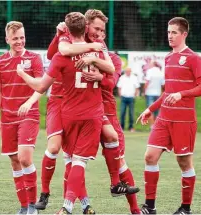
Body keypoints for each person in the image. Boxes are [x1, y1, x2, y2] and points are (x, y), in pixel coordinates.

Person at [16, 12, 110, 214]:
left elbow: (41, 85)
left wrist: (23, 75)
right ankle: (62, 203)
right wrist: (95, 53)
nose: (99, 33)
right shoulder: (96, 51)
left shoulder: (62, 57)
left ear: (67, 30)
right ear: (85, 28)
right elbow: (110, 70)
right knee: (74, 159)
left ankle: (83, 204)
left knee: (69, 157)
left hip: (69, 111)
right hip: (90, 113)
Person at [49, 9, 140, 214]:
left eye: (103, 30)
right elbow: (56, 53)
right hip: (80, 112)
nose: (99, 33)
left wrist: (96, 66)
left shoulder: (111, 58)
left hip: (105, 112)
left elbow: (112, 81)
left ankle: (135, 208)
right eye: (96, 28)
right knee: (73, 163)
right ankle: (76, 205)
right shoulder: (71, 45)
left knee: (119, 160)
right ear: (86, 26)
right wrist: (59, 36)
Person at [137, 17, 201, 214]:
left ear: (184, 34)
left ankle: (185, 208)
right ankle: (149, 207)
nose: (170, 36)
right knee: (150, 157)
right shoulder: (168, 58)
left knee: (183, 162)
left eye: (174, 32)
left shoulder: (193, 58)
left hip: (184, 120)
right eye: (168, 32)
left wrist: (181, 94)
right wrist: (150, 109)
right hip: (164, 119)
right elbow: (168, 92)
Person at [0, 21, 43, 215]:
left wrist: (29, 103)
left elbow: (41, 87)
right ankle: (23, 206)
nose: (20, 41)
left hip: (29, 115)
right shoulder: (0, 62)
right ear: (7, 39)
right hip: (8, 117)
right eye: (15, 39)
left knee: (24, 158)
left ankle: (33, 206)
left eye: (22, 37)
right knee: (14, 161)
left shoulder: (34, 58)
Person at [117, 67, 140, 132]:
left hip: (131, 97)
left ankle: (131, 127)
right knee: (122, 112)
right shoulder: (122, 78)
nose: (128, 72)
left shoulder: (134, 78)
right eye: (127, 71)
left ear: (131, 71)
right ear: (125, 71)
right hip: (123, 97)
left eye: (129, 71)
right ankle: (122, 127)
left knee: (131, 113)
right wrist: (120, 95)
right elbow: (119, 87)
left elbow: (137, 88)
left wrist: (135, 95)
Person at [144, 61, 165, 125]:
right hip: (158, 93)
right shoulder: (160, 72)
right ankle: (156, 125)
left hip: (149, 93)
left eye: (150, 64)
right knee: (157, 111)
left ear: (153, 65)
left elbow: (147, 82)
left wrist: (144, 91)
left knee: (150, 110)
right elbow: (163, 84)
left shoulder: (149, 71)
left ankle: (152, 126)